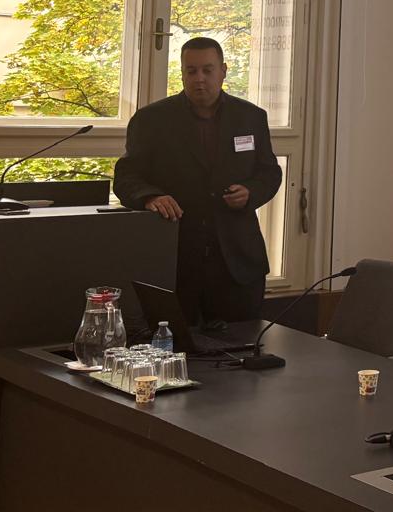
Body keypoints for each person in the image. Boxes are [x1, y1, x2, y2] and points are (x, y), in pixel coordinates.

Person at [114, 36, 281, 323]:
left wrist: (250, 192)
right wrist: (151, 196)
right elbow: (126, 176)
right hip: (175, 258)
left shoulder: (251, 117)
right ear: (182, 74)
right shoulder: (151, 120)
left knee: (242, 342)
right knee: (177, 344)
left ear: (223, 71)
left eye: (207, 70)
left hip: (237, 261)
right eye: (191, 71)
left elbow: (269, 172)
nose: (199, 78)